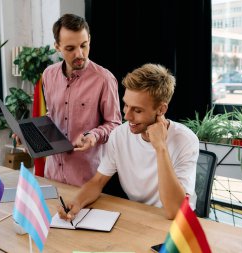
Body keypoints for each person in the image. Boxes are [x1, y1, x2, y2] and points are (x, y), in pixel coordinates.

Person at [57, 63, 199, 220]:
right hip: (139, 216)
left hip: (178, 224)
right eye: (126, 105)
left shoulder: (186, 140)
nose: (127, 116)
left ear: (161, 110)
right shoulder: (119, 135)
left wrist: (160, 148)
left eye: (137, 110)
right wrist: (77, 202)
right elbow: (97, 182)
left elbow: (174, 212)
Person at [40, 14, 122, 186]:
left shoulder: (104, 79)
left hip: (88, 181)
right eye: (70, 48)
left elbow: (115, 124)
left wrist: (94, 135)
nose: (80, 54)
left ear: (89, 40)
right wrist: (29, 133)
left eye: (84, 46)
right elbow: (51, 115)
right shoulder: (48, 75)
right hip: (51, 174)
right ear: (57, 47)